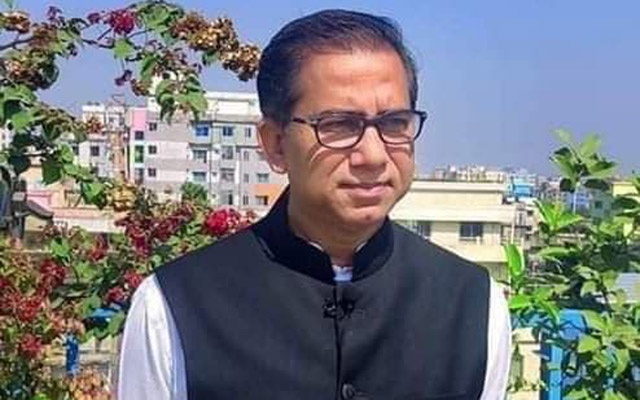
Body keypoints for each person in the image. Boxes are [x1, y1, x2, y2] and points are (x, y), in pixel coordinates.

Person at [118, 9, 511, 400]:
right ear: (275, 144)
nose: (373, 155)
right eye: (338, 125)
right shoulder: (177, 306)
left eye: (394, 123)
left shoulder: (473, 305)